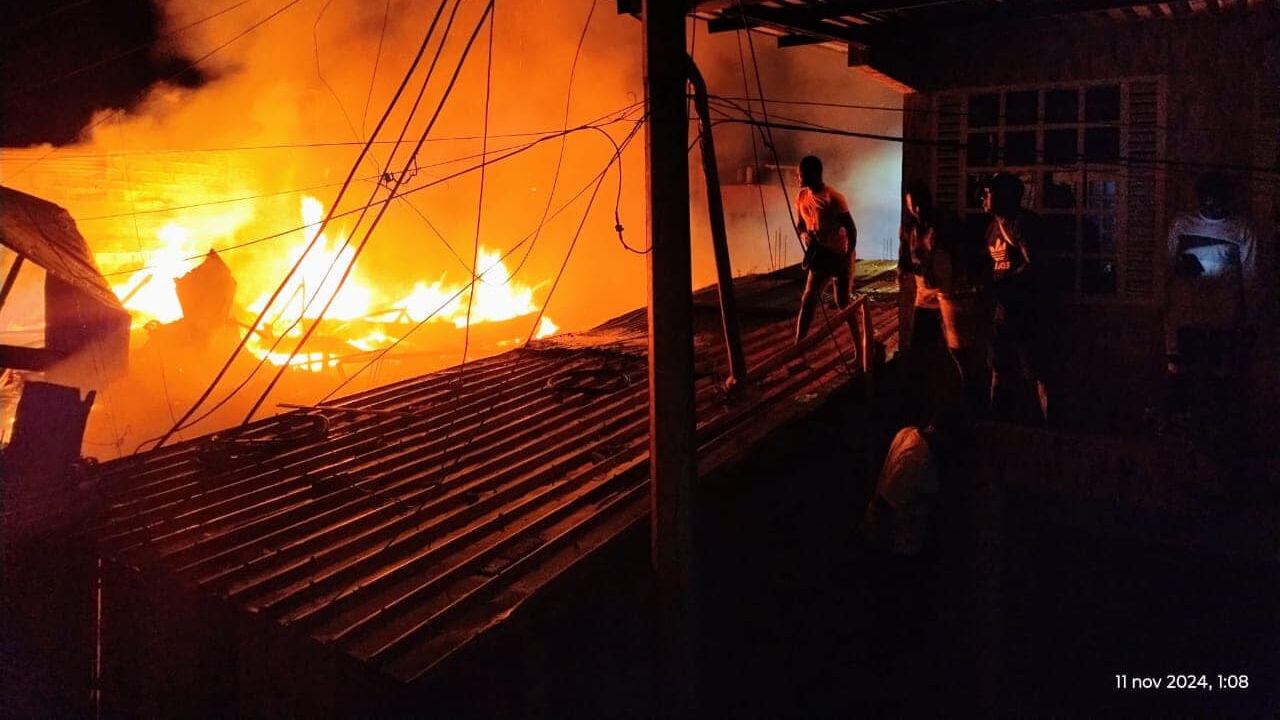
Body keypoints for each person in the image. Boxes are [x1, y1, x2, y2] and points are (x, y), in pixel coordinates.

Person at [1161, 172, 1259, 436]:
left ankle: (1214, 436)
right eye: (1208, 198)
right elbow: (1166, 269)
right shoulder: (1182, 225)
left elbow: (1251, 277)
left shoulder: (1242, 230)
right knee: (1182, 383)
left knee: (1219, 385)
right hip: (1187, 320)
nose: (1213, 204)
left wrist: (1250, 321)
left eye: (1218, 199)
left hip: (1223, 322)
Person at [983, 172, 1049, 423]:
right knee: (998, 368)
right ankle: (999, 425)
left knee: (1038, 372)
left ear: (1004, 195)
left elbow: (1036, 265)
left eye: (989, 192)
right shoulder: (992, 228)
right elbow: (996, 266)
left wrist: (1004, 283)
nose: (983, 197)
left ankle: (1048, 430)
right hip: (1003, 312)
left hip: (1027, 313)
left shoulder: (1022, 224)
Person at [794, 155, 859, 346]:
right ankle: (799, 343)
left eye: (800, 174)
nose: (798, 178)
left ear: (813, 175)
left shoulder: (833, 198)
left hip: (839, 254)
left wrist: (847, 257)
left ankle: (860, 345)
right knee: (809, 298)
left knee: (843, 303)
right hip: (820, 255)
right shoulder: (801, 197)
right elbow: (800, 225)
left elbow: (851, 230)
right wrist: (804, 236)